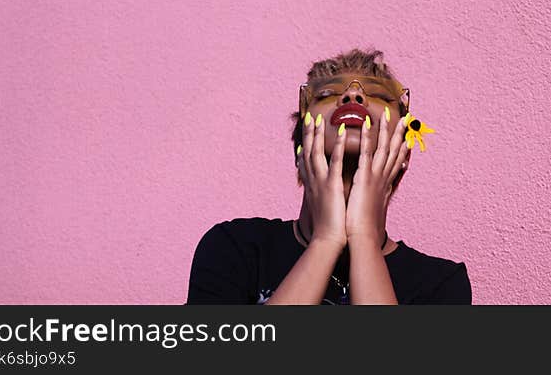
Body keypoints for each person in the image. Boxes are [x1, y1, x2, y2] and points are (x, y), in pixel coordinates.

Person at [186, 48, 472, 304]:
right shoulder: (235, 249)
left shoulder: (441, 284)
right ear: (300, 147)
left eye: (380, 95)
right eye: (326, 94)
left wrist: (363, 238)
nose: (353, 95)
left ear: (404, 154)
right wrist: (326, 240)